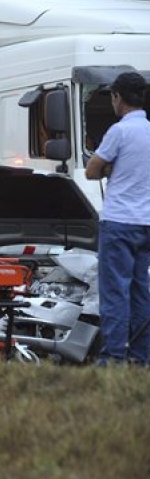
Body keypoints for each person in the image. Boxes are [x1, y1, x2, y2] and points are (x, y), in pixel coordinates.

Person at [85, 71, 150, 366]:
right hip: (146, 223)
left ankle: (112, 358)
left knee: (115, 293)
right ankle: (141, 357)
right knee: (141, 291)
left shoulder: (119, 131)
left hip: (119, 222)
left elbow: (91, 170)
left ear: (117, 97)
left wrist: (110, 169)